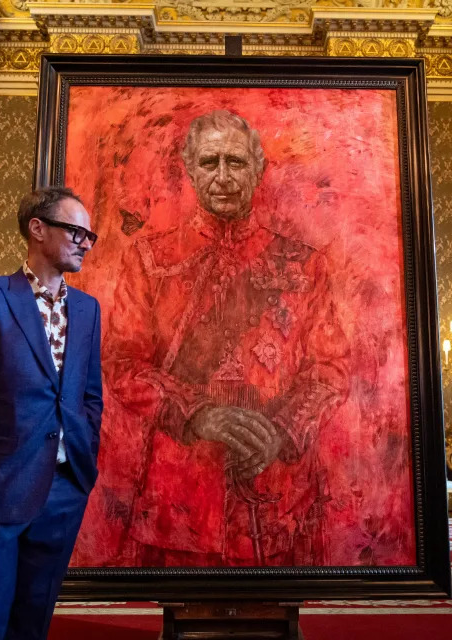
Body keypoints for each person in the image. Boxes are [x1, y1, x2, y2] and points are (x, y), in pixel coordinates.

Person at [106, 110, 349, 566]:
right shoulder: (148, 258)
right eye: (209, 162)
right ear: (189, 168)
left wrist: (281, 433)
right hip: (182, 483)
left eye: (236, 162)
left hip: (278, 488)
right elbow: (123, 363)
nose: (223, 177)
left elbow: (330, 370)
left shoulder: (303, 263)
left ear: (258, 169)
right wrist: (197, 415)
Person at [0, 186, 103, 639]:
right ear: (37, 228)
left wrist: (85, 459)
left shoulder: (87, 311)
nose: (85, 243)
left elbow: (89, 395)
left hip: (65, 489)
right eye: (76, 232)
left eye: (91, 236)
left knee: (34, 617)